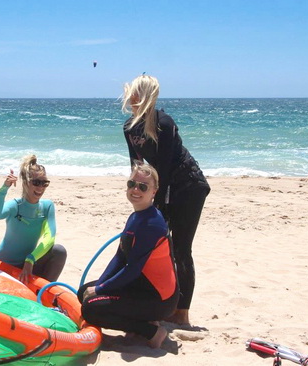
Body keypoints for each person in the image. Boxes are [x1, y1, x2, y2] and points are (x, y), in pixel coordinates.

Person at [121, 74, 210, 325]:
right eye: (131, 93)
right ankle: (160, 304)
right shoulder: (129, 127)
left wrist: (158, 204)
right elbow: (138, 166)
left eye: (136, 93)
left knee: (181, 249)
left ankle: (181, 313)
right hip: (163, 188)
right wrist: (139, 197)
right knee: (160, 247)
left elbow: (167, 169)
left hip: (190, 187)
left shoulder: (164, 123)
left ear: (146, 95)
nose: (132, 98)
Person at [78, 162, 177, 348]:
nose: (135, 190)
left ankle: (152, 332)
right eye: (132, 184)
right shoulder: (136, 217)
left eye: (143, 186)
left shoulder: (151, 224)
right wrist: (100, 285)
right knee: (83, 292)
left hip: (159, 300)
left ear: (154, 192)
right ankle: (146, 321)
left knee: (91, 309)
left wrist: (100, 290)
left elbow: (132, 270)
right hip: (141, 286)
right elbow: (119, 258)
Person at [0, 155, 67, 283]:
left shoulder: (47, 206)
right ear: (26, 183)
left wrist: (31, 258)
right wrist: (4, 188)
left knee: (59, 251)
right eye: (36, 183)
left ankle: (43, 296)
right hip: (5, 264)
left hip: (27, 264)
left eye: (44, 183)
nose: (40, 188)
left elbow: (50, 237)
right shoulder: (15, 205)